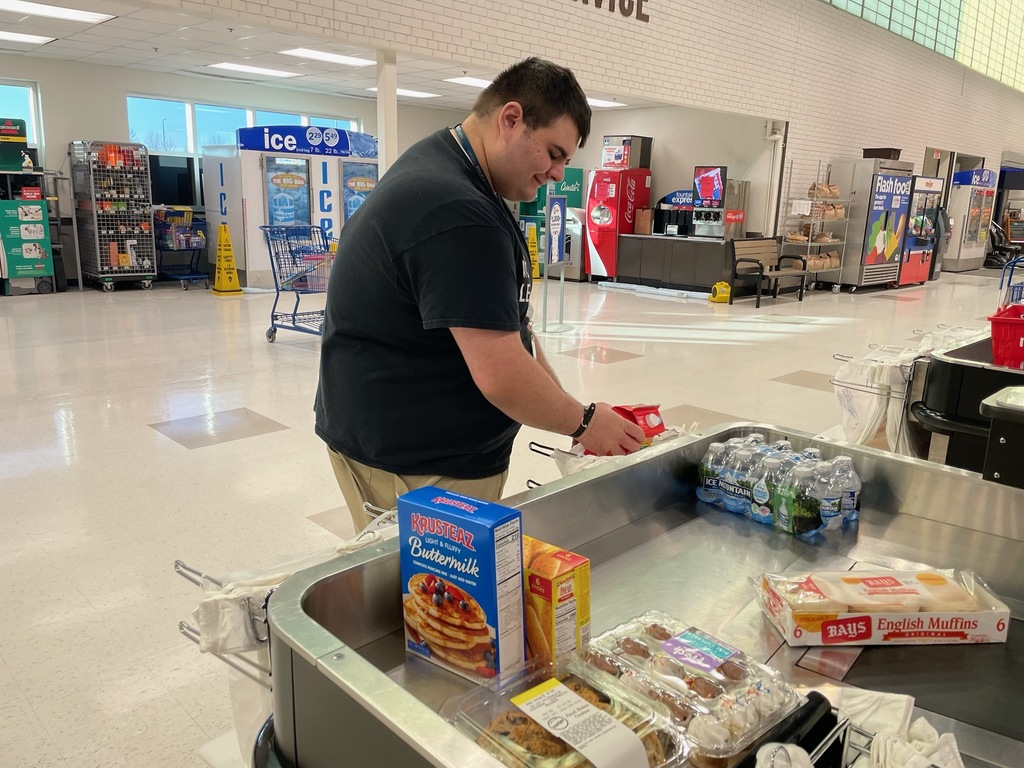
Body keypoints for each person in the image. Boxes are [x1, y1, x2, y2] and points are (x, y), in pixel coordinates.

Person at [315, 57, 646, 531]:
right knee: (433, 600)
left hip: (401, 437)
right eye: (553, 153)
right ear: (511, 119)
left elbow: (512, 328)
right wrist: (587, 422)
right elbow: (502, 375)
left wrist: (566, 403)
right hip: (419, 462)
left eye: (566, 161)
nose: (557, 173)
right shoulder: (458, 210)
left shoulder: (449, 170)